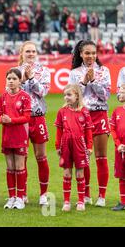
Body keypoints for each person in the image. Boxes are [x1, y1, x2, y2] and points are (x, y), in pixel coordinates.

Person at [69, 40, 111, 207]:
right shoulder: (74, 73)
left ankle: (101, 196)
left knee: (101, 157)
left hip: (100, 115)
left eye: (93, 53)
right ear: (80, 54)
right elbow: (72, 96)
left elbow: (106, 96)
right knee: (83, 158)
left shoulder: (104, 71)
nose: (91, 56)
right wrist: (84, 82)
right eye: (87, 53)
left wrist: (93, 81)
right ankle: (85, 194)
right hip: (82, 117)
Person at [18, 42, 50, 206]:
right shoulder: (15, 71)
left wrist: (30, 79)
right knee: (21, 157)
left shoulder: (43, 70)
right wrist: (21, 80)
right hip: (20, 120)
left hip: (38, 118)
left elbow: (43, 91)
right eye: (27, 51)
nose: (31, 54)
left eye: (33, 51)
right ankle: (22, 193)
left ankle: (43, 194)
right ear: (21, 53)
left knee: (41, 156)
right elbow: (9, 91)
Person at [0, 68, 31, 210]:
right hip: (7, 135)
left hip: (20, 135)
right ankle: (11, 197)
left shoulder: (24, 97)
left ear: (19, 81)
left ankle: (20, 198)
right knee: (10, 167)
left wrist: (12, 120)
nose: (11, 81)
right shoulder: (2, 97)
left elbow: (27, 117)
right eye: (9, 78)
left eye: (14, 79)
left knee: (19, 167)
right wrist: (2, 119)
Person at [55, 84, 93, 212]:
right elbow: (59, 130)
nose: (66, 97)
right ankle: (66, 201)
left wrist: (89, 146)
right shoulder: (62, 111)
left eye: (69, 95)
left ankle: (81, 201)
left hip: (79, 144)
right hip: (66, 143)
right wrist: (57, 145)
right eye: (65, 95)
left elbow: (88, 131)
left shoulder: (84, 111)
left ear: (77, 96)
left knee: (80, 172)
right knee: (66, 172)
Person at [110, 85, 125, 211]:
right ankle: (123, 202)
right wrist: (118, 144)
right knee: (121, 175)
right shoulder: (116, 111)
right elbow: (113, 129)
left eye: (121, 92)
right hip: (120, 149)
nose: (119, 94)